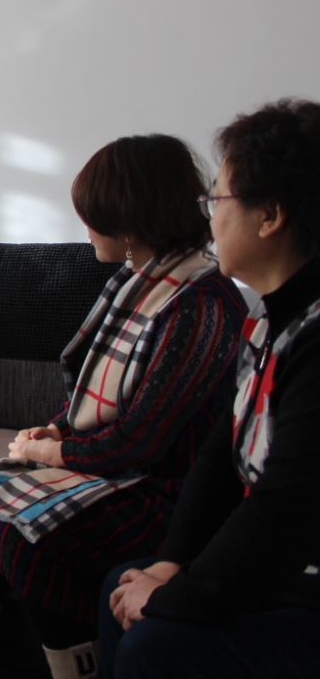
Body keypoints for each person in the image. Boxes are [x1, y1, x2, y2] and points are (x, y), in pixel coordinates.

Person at [0, 135, 245, 679]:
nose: (86, 228)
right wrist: (54, 429)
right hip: (125, 468)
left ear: (130, 218)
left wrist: (51, 453)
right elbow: (90, 394)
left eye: (93, 215)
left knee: (24, 531)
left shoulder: (200, 303)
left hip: (166, 488)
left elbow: (141, 440)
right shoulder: (135, 284)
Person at [99, 99, 320, 678]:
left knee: (155, 642)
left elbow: (286, 508)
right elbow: (223, 455)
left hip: (305, 587)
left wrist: (179, 594)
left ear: (270, 216)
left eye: (217, 200)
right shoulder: (268, 320)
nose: (210, 219)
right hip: (279, 574)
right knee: (123, 584)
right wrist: (171, 564)